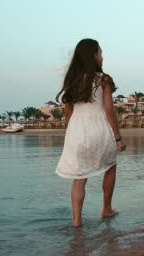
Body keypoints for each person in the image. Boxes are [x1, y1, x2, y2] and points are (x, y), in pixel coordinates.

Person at [54, 39, 126, 228]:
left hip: (77, 131)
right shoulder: (103, 79)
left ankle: (77, 220)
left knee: (79, 178)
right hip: (100, 129)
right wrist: (118, 138)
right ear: (93, 55)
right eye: (100, 52)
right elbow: (109, 110)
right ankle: (106, 208)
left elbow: (68, 113)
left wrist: (70, 135)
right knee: (110, 166)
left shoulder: (72, 81)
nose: (102, 56)